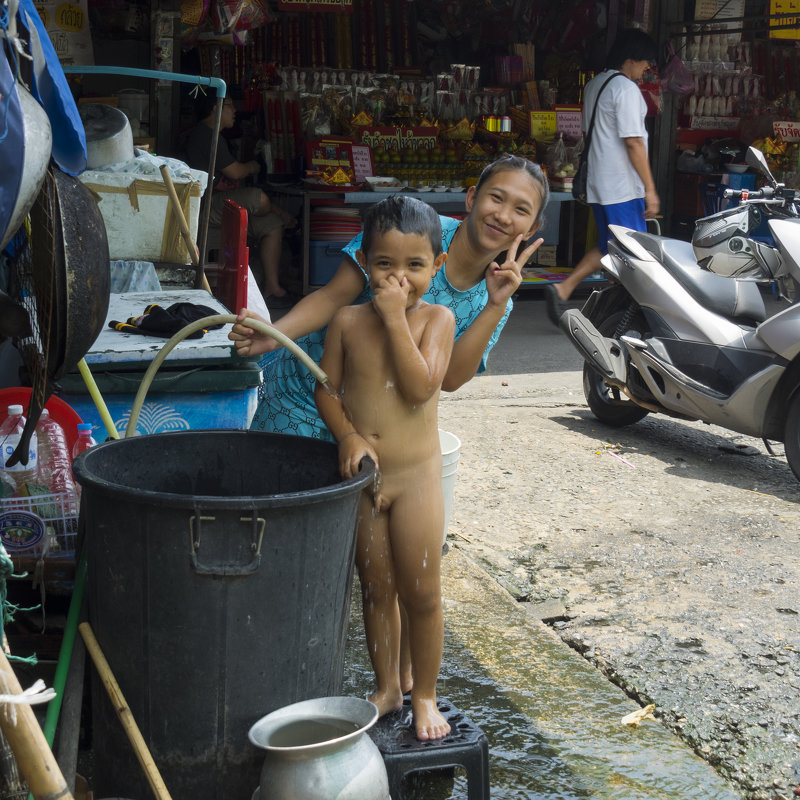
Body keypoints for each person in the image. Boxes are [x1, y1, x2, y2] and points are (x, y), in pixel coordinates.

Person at [229, 153, 550, 439]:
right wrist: (275, 336)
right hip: (304, 398)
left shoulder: (498, 300)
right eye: (496, 198)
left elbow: (449, 379)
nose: (503, 216)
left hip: (377, 429)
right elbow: (332, 297)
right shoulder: (412, 227)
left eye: (520, 210)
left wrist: (494, 306)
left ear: (532, 227)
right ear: (472, 198)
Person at [314, 195, 454, 740]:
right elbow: (326, 388)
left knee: (422, 592)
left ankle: (424, 694)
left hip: (416, 479)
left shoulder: (437, 320)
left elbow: (420, 388)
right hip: (366, 480)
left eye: (415, 266)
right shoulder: (347, 321)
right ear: (364, 262)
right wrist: (347, 434)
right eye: (385, 265)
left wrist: (397, 318)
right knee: (376, 589)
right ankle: (387, 687)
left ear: (436, 267)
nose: (400, 278)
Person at [544, 28, 659, 326]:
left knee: (613, 245)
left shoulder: (595, 84)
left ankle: (568, 290)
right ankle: (627, 309)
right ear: (632, 58)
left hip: (599, 181)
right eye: (646, 62)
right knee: (630, 249)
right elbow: (633, 142)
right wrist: (650, 189)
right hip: (621, 185)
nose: (647, 69)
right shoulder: (627, 90)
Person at [185, 93, 297, 305]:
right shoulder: (205, 134)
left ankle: (272, 289)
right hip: (205, 206)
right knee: (259, 199)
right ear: (215, 108)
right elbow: (236, 172)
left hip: (222, 205)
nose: (234, 111)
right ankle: (274, 210)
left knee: (272, 224)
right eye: (229, 106)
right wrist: (253, 166)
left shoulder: (217, 137)